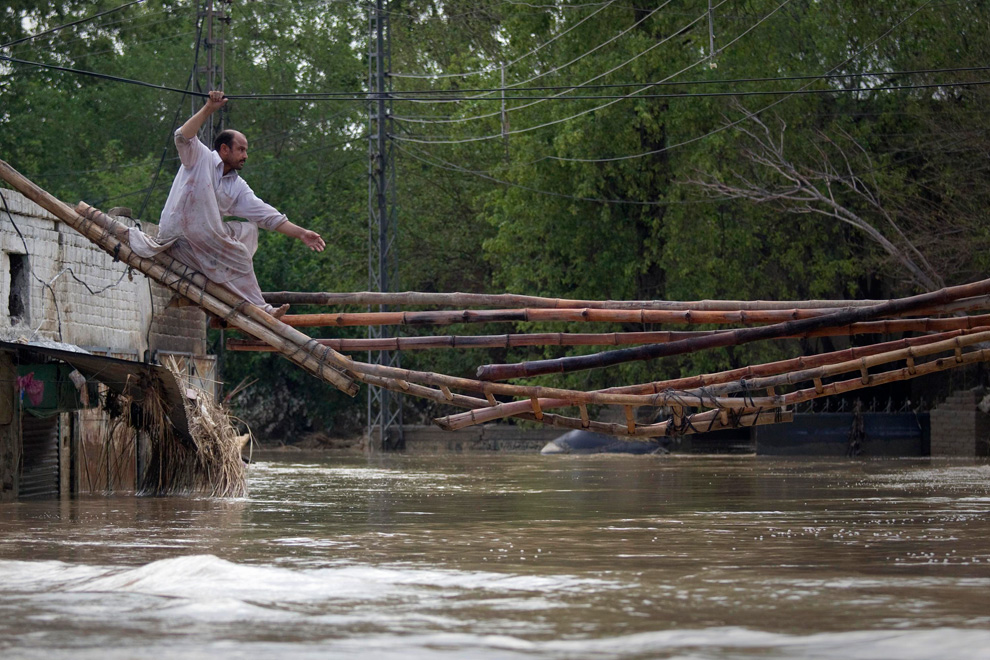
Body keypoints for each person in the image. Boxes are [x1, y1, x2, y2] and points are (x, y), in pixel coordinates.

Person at [156, 90, 325, 318]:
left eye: (246, 150)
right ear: (224, 149)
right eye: (241, 149)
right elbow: (182, 137)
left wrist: (302, 233)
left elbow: (267, 215)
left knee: (248, 231)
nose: (245, 155)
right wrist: (208, 108)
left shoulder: (237, 185)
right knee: (239, 255)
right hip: (177, 240)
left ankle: (224, 282)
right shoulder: (199, 158)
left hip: (203, 244)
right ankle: (262, 308)